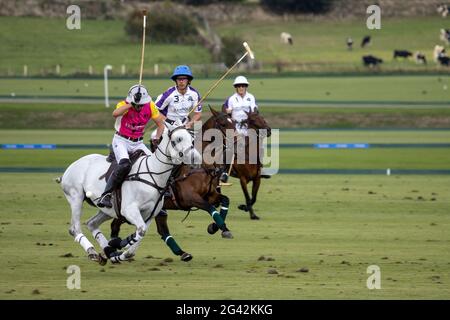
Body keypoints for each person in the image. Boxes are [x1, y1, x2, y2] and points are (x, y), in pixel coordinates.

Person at [97, 84, 165, 208]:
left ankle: (158, 197)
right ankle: (106, 195)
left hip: (138, 143)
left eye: (141, 105)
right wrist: (130, 104)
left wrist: (156, 138)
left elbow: (161, 124)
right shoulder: (123, 104)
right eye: (137, 105)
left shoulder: (150, 105)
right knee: (124, 164)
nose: (139, 107)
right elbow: (115, 113)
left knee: (155, 164)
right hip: (121, 141)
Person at [221, 75, 270, 182]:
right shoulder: (231, 99)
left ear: (246, 86)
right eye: (239, 86)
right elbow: (224, 111)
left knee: (259, 146)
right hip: (235, 128)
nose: (241, 88)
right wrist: (227, 111)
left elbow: (255, 112)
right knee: (230, 148)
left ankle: (260, 169)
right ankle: (225, 172)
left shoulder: (251, 97)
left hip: (249, 128)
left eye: (243, 86)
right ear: (236, 87)